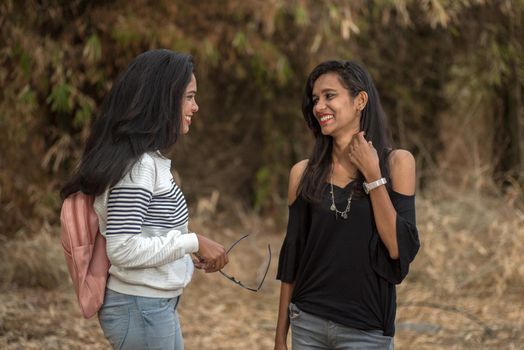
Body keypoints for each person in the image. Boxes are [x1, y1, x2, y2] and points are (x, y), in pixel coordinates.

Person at [61, 49, 228, 349]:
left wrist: (182, 251)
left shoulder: (148, 161)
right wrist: (193, 242)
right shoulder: (139, 166)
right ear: (162, 99)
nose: (196, 107)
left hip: (150, 307)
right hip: (140, 307)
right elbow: (123, 248)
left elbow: (147, 231)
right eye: (189, 97)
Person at [274, 60, 420, 350]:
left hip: (365, 330)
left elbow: (397, 248)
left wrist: (373, 175)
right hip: (308, 323)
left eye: (329, 96)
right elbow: (293, 256)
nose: (319, 106)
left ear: (360, 100)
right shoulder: (302, 173)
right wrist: (280, 336)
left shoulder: (398, 164)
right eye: (315, 99)